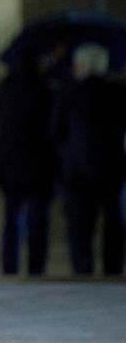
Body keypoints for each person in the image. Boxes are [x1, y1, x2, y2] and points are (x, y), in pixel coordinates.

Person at [52, 43, 126, 275]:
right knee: (113, 226)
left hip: (78, 171)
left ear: (82, 65)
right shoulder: (119, 91)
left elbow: (55, 131)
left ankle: (83, 272)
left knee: (80, 229)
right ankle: (112, 271)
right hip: (113, 168)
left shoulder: (69, 93)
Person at [0, 57, 58, 275]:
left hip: (12, 163)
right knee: (38, 220)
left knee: (11, 218)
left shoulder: (5, 89)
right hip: (39, 164)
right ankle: (36, 267)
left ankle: (9, 266)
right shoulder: (44, 89)